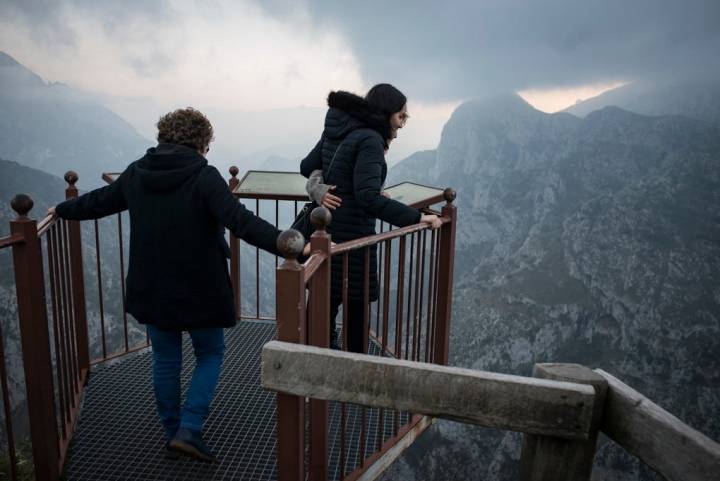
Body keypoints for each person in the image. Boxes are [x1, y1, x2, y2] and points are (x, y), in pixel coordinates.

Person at [50, 108, 309, 462]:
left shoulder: (136, 173)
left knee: (166, 360)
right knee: (210, 353)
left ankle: (172, 430)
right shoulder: (204, 176)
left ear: (162, 137)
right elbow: (241, 222)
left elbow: (97, 203)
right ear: (202, 143)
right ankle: (190, 428)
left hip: (152, 285)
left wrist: (62, 209)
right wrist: (289, 243)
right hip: (201, 285)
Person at [300, 84, 442, 353]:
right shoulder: (370, 140)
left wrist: (321, 189)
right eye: (401, 116)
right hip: (354, 239)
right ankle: (350, 378)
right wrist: (418, 217)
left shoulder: (338, 127)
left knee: (322, 307)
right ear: (386, 113)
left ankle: (311, 373)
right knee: (355, 313)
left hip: (327, 234)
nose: (402, 124)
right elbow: (367, 198)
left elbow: (306, 166)